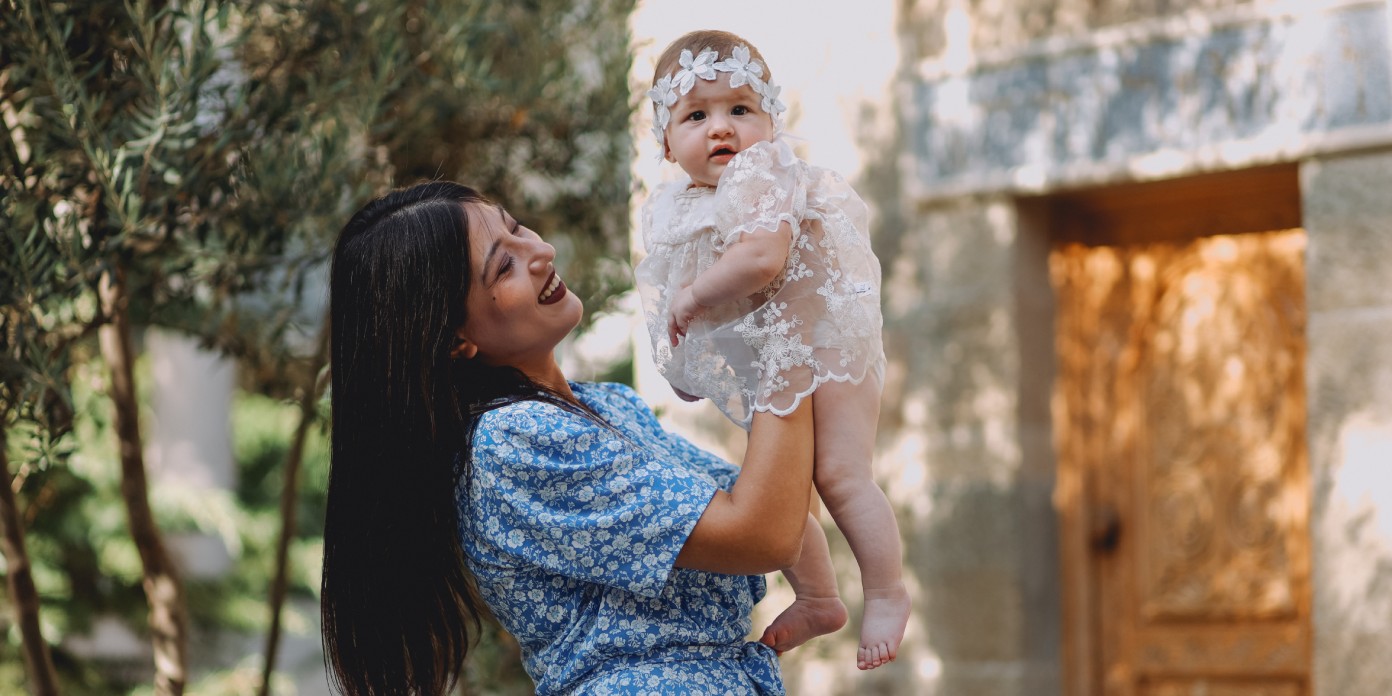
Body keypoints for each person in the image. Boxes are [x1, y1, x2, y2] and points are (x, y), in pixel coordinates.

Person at [320, 181, 821, 696]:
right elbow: (765, 536)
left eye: (518, 229)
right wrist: (786, 332)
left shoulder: (606, 405)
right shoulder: (513, 442)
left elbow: (775, 510)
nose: (540, 252)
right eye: (503, 266)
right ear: (454, 339)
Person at [634, 30, 910, 670]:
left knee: (839, 474)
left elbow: (761, 258)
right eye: (696, 116)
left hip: (826, 345)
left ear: (770, 120)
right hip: (779, 367)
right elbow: (682, 303)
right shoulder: (678, 207)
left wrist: (693, 299)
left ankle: (889, 591)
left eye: (741, 110)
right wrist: (683, 358)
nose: (722, 129)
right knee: (778, 496)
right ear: (666, 142)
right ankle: (817, 596)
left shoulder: (762, 171)